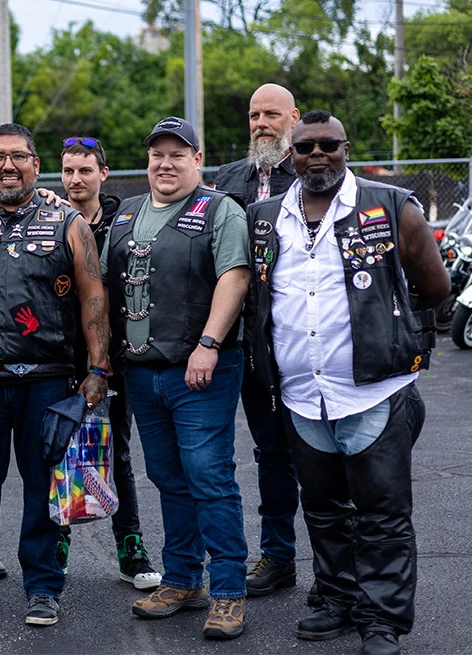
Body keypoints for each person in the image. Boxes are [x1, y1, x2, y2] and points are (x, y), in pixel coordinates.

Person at [243, 110, 449, 655]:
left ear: (346, 147)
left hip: (375, 393)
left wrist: (403, 340)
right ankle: (336, 599)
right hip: (301, 395)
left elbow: (435, 286)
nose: (317, 155)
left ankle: (382, 620)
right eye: (305, 146)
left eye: (328, 145)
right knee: (324, 508)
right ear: (290, 153)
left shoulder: (391, 207)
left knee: (382, 515)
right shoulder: (265, 215)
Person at [0, 123, 110, 628]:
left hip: (46, 381)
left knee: (44, 487)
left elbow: (93, 297)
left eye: (17, 157)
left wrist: (97, 369)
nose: (6, 166)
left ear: (36, 164)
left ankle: (43, 587)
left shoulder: (67, 221)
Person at [103, 118, 251, 640]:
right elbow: (103, 289)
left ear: (197, 158)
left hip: (199, 372)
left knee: (209, 475)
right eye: (157, 155)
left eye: (177, 154)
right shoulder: (126, 214)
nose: (165, 164)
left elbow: (235, 275)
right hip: (141, 375)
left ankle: (229, 591)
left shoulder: (219, 210)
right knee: (169, 479)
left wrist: (208, 344)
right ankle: (184, 579)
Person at [214, 83, 306, 600]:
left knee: (317, 456)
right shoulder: (230, 179)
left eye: (272, 113)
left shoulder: (314, 174)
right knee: (269, 452)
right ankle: (278, 556)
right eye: (254, 114)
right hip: (244, 341)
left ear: (293, 116)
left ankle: (340, 569)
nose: (261, 123)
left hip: (300, 338)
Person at [59, 136, 161, 591]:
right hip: (59, 358)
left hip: (114, 358)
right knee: (58, 450)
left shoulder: (128, 221)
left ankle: (131, 547)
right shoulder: (49, 219)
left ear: (103, 173)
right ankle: (54, 543)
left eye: (85, 170)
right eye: (68, 171)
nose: (76, 179)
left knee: (117, 451)